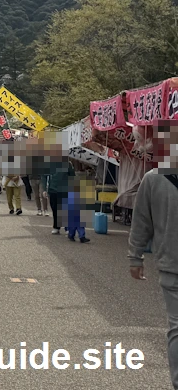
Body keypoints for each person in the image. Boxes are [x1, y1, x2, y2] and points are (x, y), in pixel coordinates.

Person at [128, 160, 178, 388]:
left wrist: (135, 257)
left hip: (171, 263)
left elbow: (141, 221)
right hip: (171, 263)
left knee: (177, 328)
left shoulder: (154, 177)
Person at [46, 159, 71, 234]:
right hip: (52, 189)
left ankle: (68, 228)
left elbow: (72, 176)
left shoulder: (68, 164)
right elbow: (44, 177)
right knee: (55, 209)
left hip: (64, 189)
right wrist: (45, 189)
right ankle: (56, 226)